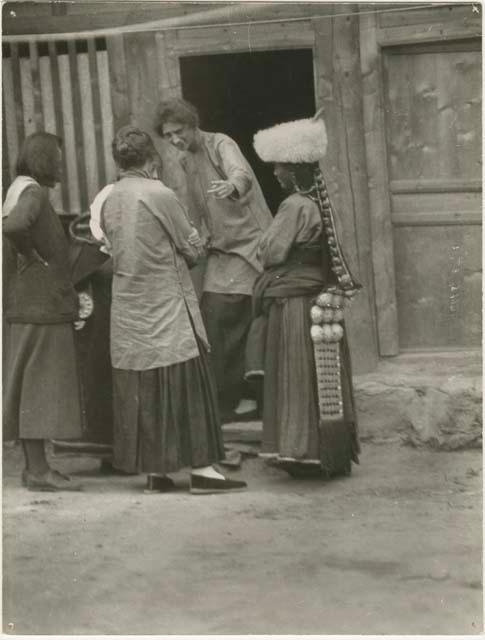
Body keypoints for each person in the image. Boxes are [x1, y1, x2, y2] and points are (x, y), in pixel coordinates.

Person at [92, 124, 246, 494]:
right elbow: (192, 249)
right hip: (166, 306)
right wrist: (196, 246)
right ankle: (204, 472)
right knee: (186, 382)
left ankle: (156, 473)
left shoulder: (111, 199)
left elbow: (111, 248)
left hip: (129, 309)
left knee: (145, 387)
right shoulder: (158, 193)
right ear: (151, 160)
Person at [246, 111, 361, 478]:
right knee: (319, 375)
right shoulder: (319, 204)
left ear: (294, 170)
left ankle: (301, 450)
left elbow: (271, 253)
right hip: (315, 299)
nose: (275, 173)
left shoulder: (295, 205)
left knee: (297, 372)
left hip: (296, 304)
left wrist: (262, 243)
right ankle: (326, 451)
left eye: (280, 166)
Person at [154, 98, 273, 422]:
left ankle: (251, 399)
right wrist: (196, 234)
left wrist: (233, 184)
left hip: (250, 245)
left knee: (238, 314)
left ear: (193, 125)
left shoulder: (221, 143)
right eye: (168, 136)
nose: (175, 139)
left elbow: (240, 173)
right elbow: (196, 205)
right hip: (222, 249)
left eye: (179, 131)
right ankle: (229, 398)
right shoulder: (185, 159)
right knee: (213, 316)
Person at [3, 132, 83, 491]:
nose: (61, 167)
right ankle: (37, 471)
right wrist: (32, 256)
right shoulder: (33, 192)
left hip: (29, 304)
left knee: (28, 385)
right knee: (38, 387)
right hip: (40, 306)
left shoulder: (18, 187)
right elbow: (15, 227)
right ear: (45, 160)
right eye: (58, 159)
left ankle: (36, 467)